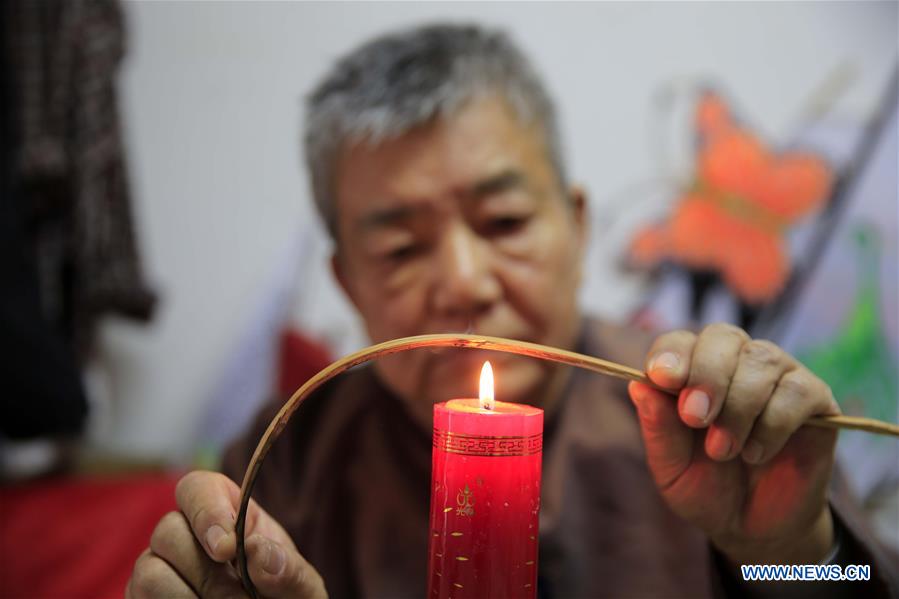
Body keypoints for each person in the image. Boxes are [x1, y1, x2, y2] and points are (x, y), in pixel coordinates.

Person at [127, 24, 898, 598]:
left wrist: (786, 551)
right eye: (399, 249)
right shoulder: (287, 462)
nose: (463, 281)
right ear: (347, 283)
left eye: (503, 224)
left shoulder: (712, 424)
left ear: (576, 224)